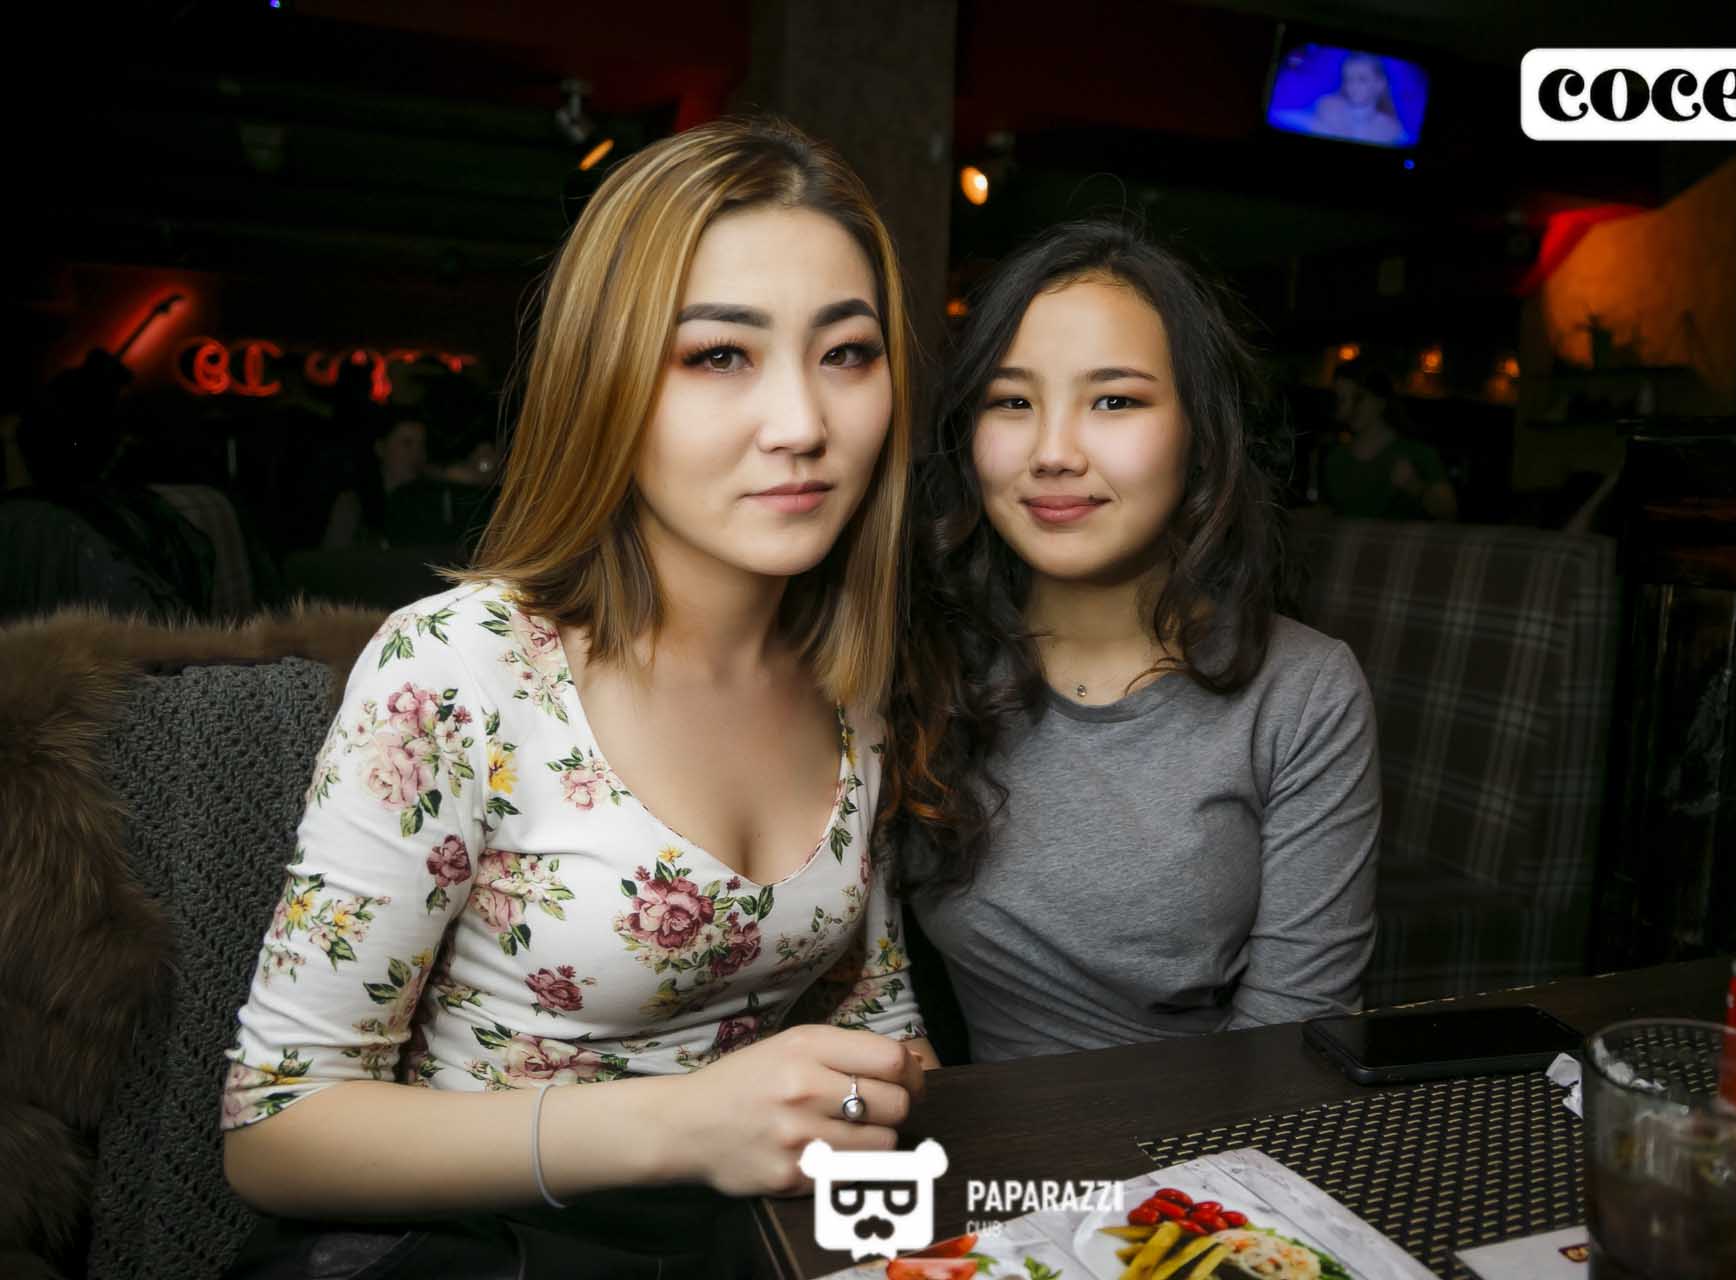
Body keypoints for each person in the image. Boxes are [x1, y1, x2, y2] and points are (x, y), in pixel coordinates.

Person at [220, 117, 932, 1278]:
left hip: (760, 1244)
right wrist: (682, 1124)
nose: (805, 424)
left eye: (848, 352)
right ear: (604, 379)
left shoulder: (847, 670)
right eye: (719, 355)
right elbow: (275, 1130)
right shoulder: (461, 666)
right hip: (492, 1249)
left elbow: (880, 1021)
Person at [885, 221, 1380, 1063]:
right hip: (973, 1129)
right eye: (1012, 401)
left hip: (1219, 1136)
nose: (1052, 453)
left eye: (1114, 400)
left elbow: (1294, 1038)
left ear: (1201, 432)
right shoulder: (916, 658)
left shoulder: (1303, 691)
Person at [1321, 363, 1458, 521]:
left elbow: (1449, 513)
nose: (1350, 407)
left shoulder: (1417, 453)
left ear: (1381, 400)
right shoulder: (1335, 459)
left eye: (1358, 397)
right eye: (1342, 400)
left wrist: (1416, 486)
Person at [322, 412, 431, 548]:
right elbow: (333, 556)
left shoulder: (428, 503)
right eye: (407, 444)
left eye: (422, 445)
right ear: (380, 448)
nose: (417, 454)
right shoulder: (353, 503)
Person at [1310, 53, 1408, 147]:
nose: (1352, 85)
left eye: (1361, 79)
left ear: (1380, 84)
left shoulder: (1391, 129)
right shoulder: (1327, 106)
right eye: (1348, 78)